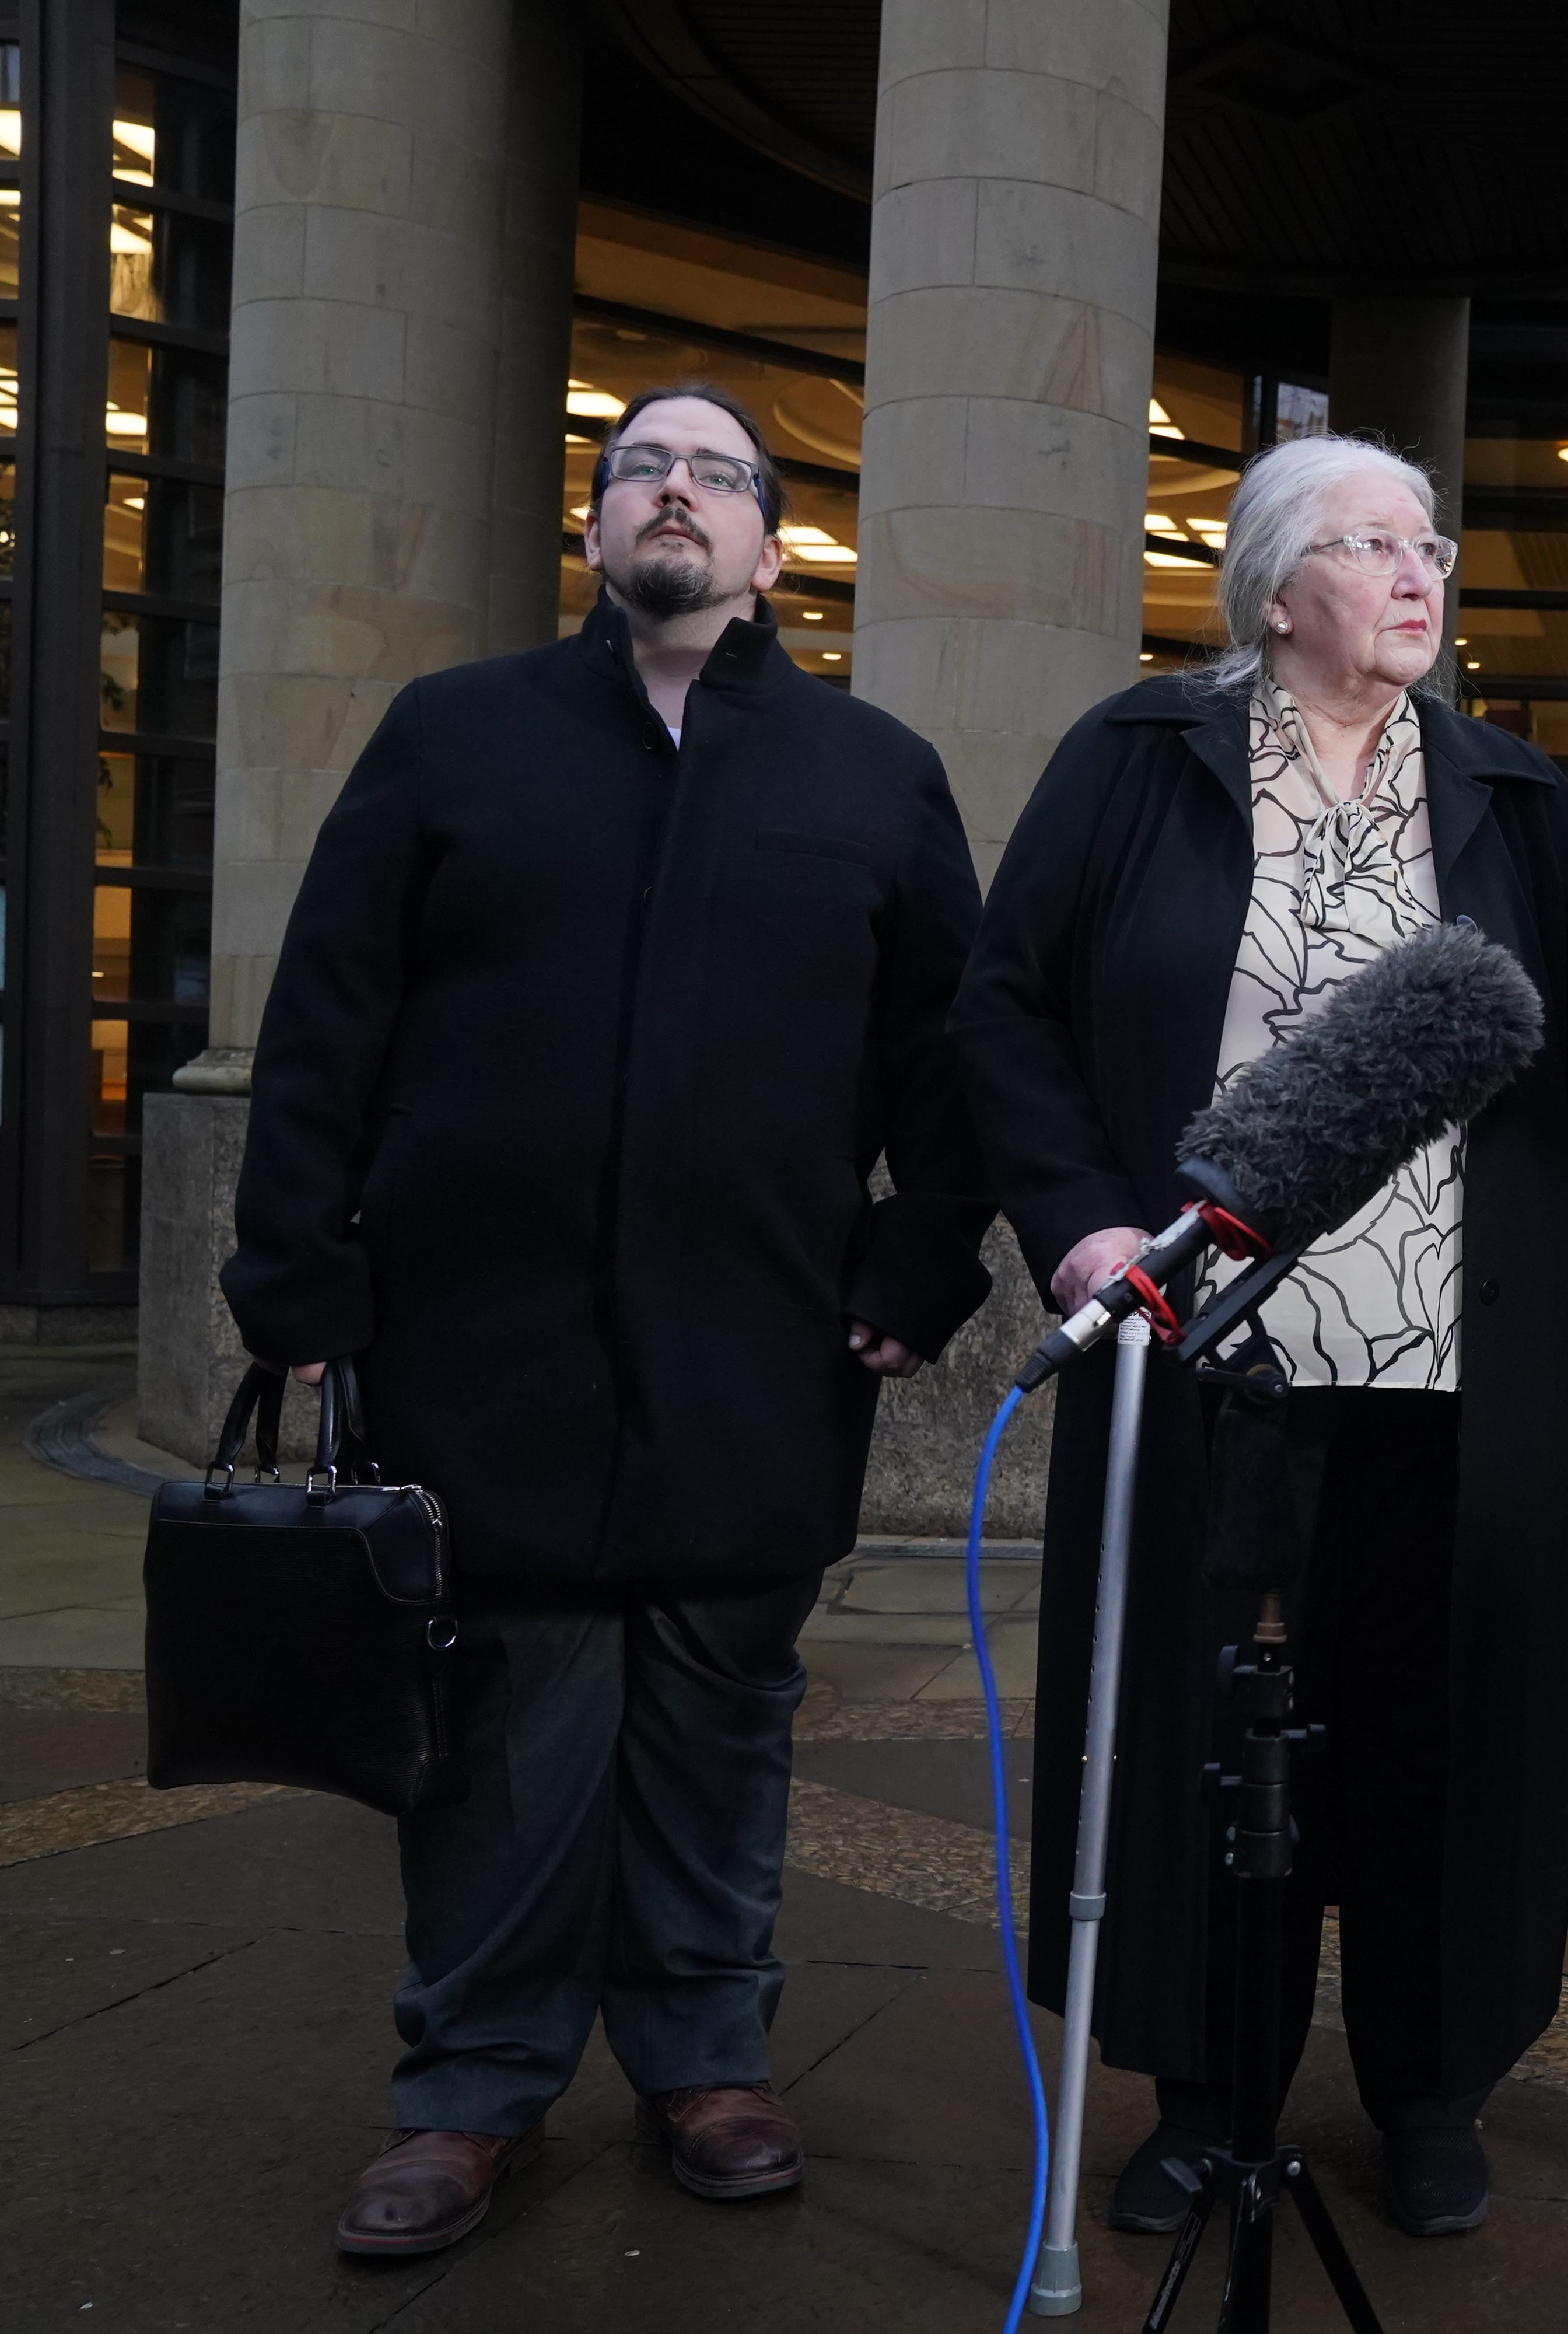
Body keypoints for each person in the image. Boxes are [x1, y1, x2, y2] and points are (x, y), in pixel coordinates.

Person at [224, 385, 998, 2256]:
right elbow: (328, 1014)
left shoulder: (874, 773)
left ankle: (703, 2056)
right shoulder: (455, 736)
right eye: (641, 466)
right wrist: (296, 1276)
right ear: (597, 528)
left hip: (758, 1346)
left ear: (768, 544)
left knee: (725, 1722)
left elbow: (956, 1058)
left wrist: (920, 1265)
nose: (676, 493)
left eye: (718, 476)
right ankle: (472, 2090)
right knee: (498, 1733)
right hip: (484, 1346)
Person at [950, 432, 1568, 2242]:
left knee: (1439, 1743)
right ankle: (1209, 2092)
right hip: (1212, 1360)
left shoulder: (1503, 792)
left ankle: (1427, 2089)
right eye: (1374, 544)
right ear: (1275, 587)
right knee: (1213, 1737)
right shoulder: (1144, 760)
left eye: (1432, 543)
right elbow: (1005, 1009)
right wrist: (1080, 1219)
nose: (1421, 572)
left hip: (1466, 1379)